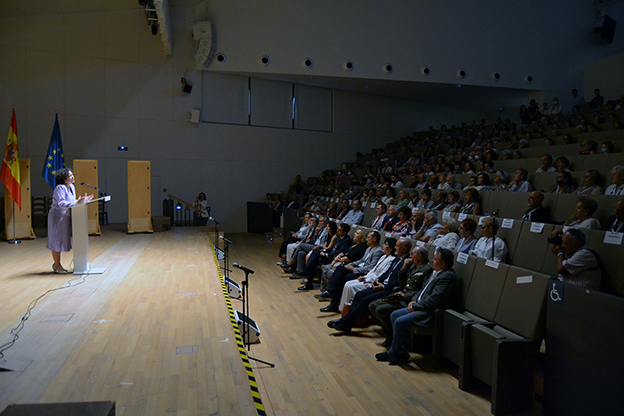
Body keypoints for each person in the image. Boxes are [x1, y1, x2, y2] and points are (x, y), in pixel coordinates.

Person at [375, 248, 461, 364]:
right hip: (420, 305)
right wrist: (413, 301)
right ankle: (400, 351)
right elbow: (422, 291)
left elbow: (435, 299)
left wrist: (416, 306)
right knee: (394, 315)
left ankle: (392, 353)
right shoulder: (436, 272)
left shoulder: (448, 277)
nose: (432, 261)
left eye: (435, 259)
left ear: (443, 264)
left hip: (430, 311)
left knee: (399, 322)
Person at [327, 238, 412, 334]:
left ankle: (345, 323)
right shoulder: (397, 258)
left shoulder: (407, 263)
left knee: (366, 299)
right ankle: (347, 323)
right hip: (382, 284)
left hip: (391, 290)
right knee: (359, 294)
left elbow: (399, 282)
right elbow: (387, 273)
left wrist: (383, 286)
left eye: (397, 246)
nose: (395, 248)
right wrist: (378, 279)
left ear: (404, 249)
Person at [368, 246, 434, 346]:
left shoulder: (427, 269)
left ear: (419, 256)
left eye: (412, 254)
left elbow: (422, 290)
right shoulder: (412, 265)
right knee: (372, 305)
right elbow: (402, 283)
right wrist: (403, 269)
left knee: (380, 310)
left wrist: (406, 295)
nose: (410, 256)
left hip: (409, 299)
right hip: (400, 294)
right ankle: (394, 333)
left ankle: (397, 336)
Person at [46, 168, 94, 274]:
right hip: (57, 217)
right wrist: (77, 202)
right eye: (70, 175)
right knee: (56, 240)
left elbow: (72, 202)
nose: (73, 177)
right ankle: (57, 265)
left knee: (62, 239)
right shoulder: (60, 188)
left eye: (72, 175)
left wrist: (83, 201)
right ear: (64, 179)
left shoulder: (72, 186)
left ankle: (57, 264)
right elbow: (62, 203)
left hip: (66, 216)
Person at [317, 230, 384, 303]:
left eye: (368, 237)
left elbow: (371, 267)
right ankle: (331, 294)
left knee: (346, 277)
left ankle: (335, 298)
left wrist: (354, 269)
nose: (366, 239)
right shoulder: (369, 248)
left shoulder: (378, 251)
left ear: (374, 239)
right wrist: (350, 265)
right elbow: (361, 260)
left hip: (364, 272)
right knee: (340, 269)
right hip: (358, 268)